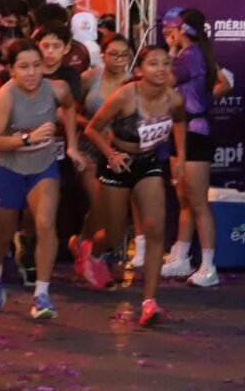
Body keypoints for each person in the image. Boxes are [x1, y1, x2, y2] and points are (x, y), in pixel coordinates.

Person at [0, 39, 85, 320]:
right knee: (4, 233)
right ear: (12, 70)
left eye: (36, 66)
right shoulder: (6, 96)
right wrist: (27, 138)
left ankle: (42, 294)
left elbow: (70, 108)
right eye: (24, 67)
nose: (31, 73)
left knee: (45, 224)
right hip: (10, 169)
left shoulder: (56, 89)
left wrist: (73, 145)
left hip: (43, 167)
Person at [86, 46, 186, 326]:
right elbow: (92, 128)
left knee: (155, 228)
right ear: (140, 70)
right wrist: (111, 154)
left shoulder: (173, 99)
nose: (161, 69)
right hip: (118, 164)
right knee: (116, 236)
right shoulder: (125, 96)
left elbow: (180, 122)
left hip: (149, 163)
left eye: (166, 64)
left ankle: (149, 302)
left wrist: (180, 156)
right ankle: (91, 250)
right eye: (153, 64)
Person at [161, 8, 222, 287]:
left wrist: (172, 49)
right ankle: (181, 256)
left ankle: (209, 266)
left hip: (194, 133)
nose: (170, 31)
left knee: (198, 202)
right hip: (180, 131)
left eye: (174, 27)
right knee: (185, 198)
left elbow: (163, 82)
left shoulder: (189, 56)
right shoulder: (198, 54)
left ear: (183, 29)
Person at [74, 33, 134, 284]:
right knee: (97, 205)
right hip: (88, 148)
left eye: (124, 55)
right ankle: (84, 249)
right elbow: (69, 112)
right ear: (103, 55)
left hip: (118, 152)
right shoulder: (90, 78)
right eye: (114, 54)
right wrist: (91, 124)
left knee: (114, 213)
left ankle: (97, 252)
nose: (119, 59)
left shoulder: (133, 82)